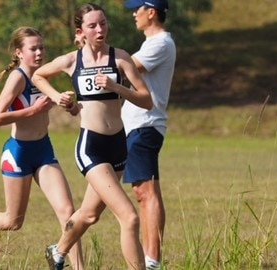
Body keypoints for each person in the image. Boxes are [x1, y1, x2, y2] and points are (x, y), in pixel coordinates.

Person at [0, 26, 84, 270]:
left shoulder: (45, 76)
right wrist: (34, 110)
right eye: (33, 48)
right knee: (13, 221)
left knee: (68, 211)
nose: (39, 52)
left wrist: (69, 104)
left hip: (44, 151)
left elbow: (68, 109)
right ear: (19, 52)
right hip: (18, 153)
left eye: (42, 47)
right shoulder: (18, 78)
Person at [32, 3, 153, 270]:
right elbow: (39, 75)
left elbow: (147, 101)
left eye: (103, 23)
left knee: (88, 215)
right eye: (92, 25)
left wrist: (117, 87)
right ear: (81, 31)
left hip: (118, 145)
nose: (100, 29)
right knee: (129, 217)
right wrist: (57, 97)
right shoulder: (71, 61)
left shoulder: (120, 58)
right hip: (91, 147)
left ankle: (57, 251)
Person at [121, 1, 176, 269]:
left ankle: (151, 260)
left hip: (145, 125)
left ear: (151, 12)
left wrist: (92, 56)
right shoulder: (151, 43)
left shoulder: (160, 44)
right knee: (142, 192)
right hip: (138, 126)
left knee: (146, 192)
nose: (134, 14)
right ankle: (149, 257)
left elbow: (127, 68)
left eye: (137, 8)